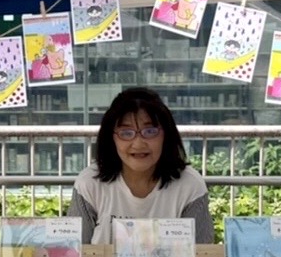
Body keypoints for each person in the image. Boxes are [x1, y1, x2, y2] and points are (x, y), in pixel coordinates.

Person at [68, 87, 214, 244]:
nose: (138, 144)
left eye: (150, 131)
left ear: (166, 134)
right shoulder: (90, 183)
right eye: (126, 133)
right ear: (112, 138)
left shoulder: (190, 185)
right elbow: (74, 255)